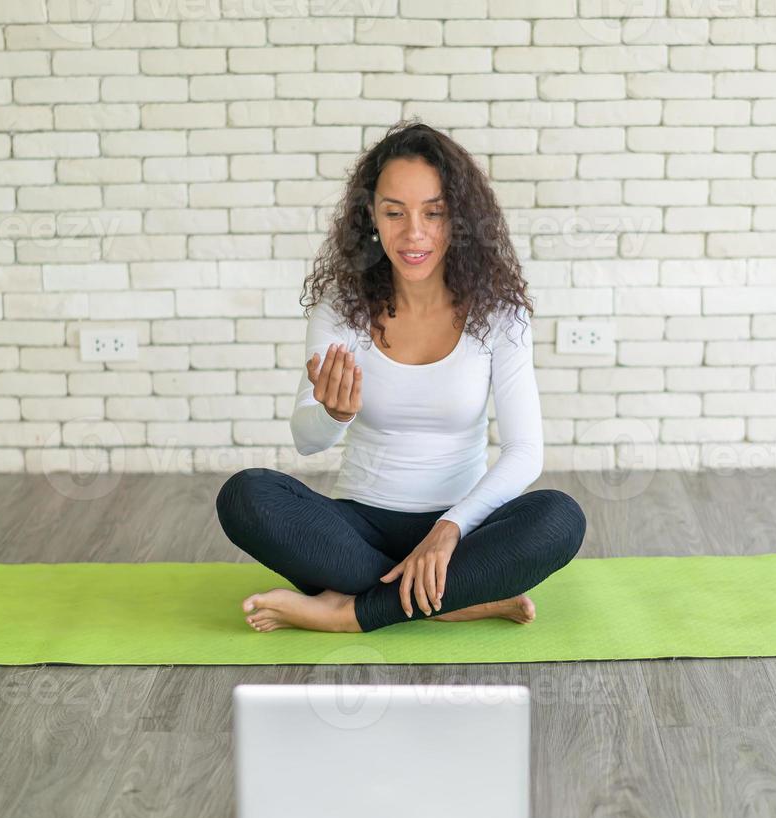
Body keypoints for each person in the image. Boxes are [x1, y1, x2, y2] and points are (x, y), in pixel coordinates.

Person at [215, 119, 586, 633]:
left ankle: (352, 612)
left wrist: (449, 528)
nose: (414, 234)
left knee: (560, 519)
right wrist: (333, 413)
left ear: (459, 218)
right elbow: (306, 441)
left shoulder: (500, 314)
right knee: (245, 496)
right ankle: (456, 599)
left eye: (433, 213)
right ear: (371, 215)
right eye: (394, 212)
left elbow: (526, 452)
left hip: (461, 530)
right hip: (357, 529)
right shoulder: (340, 308)